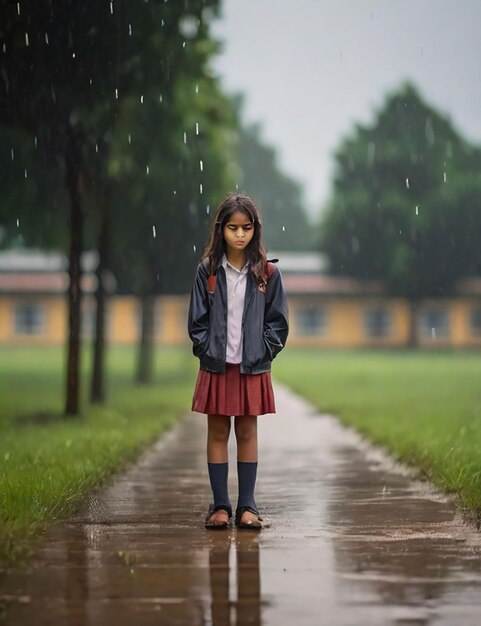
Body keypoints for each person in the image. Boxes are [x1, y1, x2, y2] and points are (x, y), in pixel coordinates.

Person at [187, 192, 289, 530]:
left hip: (251, 366)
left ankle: (248, 506)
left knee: (246, 430)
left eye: (246, 228)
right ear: (221, 230)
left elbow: (278, 322)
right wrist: (206, 349)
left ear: (255, 230)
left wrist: (264, 349)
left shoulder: (267, 274)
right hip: (217, 364)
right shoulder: (208, 272)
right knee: (217, 430)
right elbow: (197, 321)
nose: (240, 235)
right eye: (233, 228)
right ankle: (219, 506)